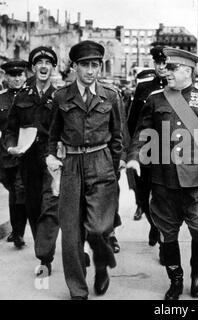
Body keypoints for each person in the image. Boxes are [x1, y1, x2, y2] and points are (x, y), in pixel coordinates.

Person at [127, 47, 198, 300]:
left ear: (188, 71)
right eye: (166, 68)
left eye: (172, 69)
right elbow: (142, 132)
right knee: (167, 232)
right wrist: (133, 157)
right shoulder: (155, 99)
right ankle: (175, 279)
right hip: (164, 180)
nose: (167, 73)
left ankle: (197, 274)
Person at [46, 40, 122, 300]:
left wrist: (114, 172)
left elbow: (117, 138)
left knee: (99, 228)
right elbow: (52, 135)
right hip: (71, 165)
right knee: (71, 232)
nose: (91, 71)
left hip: (101, 162)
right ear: (75, 67)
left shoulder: (110, 95)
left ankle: (101, 265)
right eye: (86, 65)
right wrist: (51, 158)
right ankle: (77, 289)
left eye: (95, 65)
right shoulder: (61, 97)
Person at [5, 48, 60, 275]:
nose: (44, 66)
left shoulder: (60, 96)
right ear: (33, 67)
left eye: (48, 62)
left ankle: (45, 257)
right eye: (39, 63)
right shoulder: (22, 97)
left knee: (49, 205)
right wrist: (10, 146)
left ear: (53, 67)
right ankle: (43, 247)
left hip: (50, 158)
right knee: (33, 206)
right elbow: (10, 128)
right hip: (27, 160)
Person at [127, 46, 168, 264]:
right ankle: (153, 226)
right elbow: (132, 121)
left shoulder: (176, 87)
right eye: (158, 62)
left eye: (165, 62)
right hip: (144, 152)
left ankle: (163, 241)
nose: (161, 66)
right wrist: (131, 150)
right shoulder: (143, 88)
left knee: (163, 200)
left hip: (167, 155)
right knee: (143, 198)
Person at [0, 59, 28, 248]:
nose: (16, 79)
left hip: (26, 153)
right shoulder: (0, 99)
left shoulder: (30, 97)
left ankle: (18, 232)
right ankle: (17, 230)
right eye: (12, 75)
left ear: (25, 76)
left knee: (20, 190)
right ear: (6, 77)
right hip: (4, 154)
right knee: (12, 190)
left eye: (20, 75)